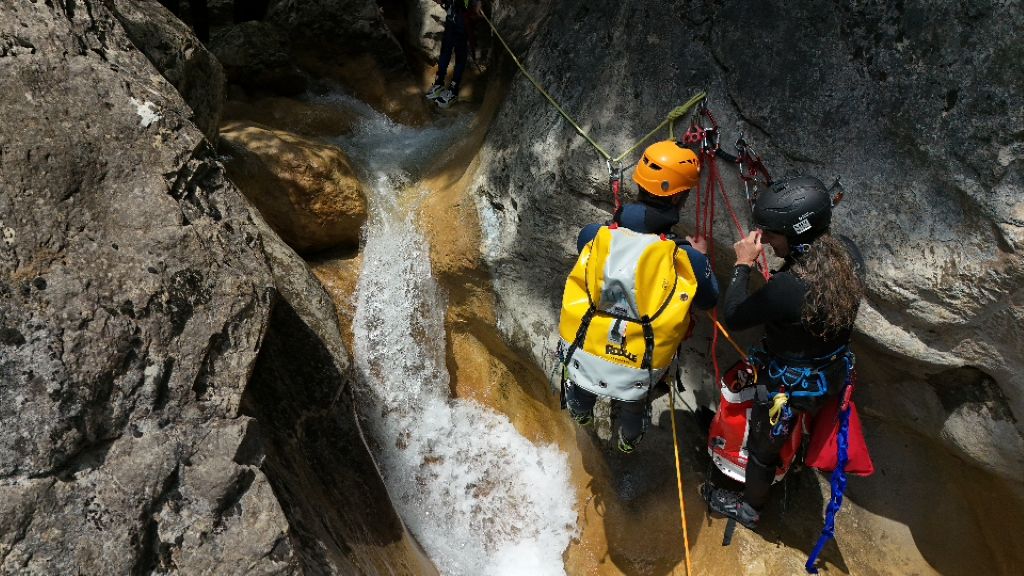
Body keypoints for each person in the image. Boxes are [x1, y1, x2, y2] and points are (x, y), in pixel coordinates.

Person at [704, 175, 865, 527]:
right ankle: (797, 447)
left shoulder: (788, 288)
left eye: (771, 233)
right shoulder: (848, 254)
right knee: (796, 421)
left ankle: (749, 510)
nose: (764, 240)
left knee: (762, 453)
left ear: (796, 234)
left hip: (789, 390)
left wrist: (743, 264)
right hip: (831, 374)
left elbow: (734, 315)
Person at [564, 140, 719, 453]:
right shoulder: (685, 258)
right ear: (678, 196)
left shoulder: (594, 235)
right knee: (634, 406)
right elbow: (708, 299)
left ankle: (581, 416)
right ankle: (627, 442)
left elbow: (593, 253)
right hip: (637, 363)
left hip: (583, 346)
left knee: (581, 388)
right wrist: (701, 258)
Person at [426, 0, 483, 109]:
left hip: (464, 17)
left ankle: (454, 89)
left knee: (460, 54)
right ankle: (438, 84)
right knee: (445, 50)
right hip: (452, 13)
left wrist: (477, 4)